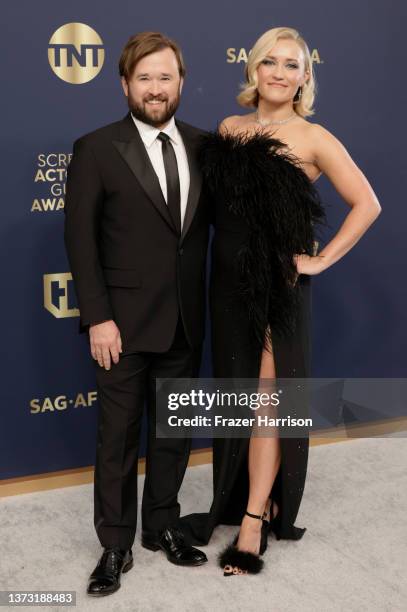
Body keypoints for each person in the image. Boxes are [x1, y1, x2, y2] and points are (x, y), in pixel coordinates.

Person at [178, 26, 381, 576]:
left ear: (305, 77)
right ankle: (247, 496)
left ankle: (253, 520)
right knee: (241, 398)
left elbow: (367, 203)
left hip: (277, 286)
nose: (280, 72)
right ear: (254, 69)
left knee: (268, 402)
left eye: (293, 65)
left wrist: (316, 260)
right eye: (271, 61)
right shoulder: (229, 128)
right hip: (226, 282)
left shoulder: (314, 138)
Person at [64, 31, 210, 597]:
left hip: (186, 321)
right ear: (125, 84)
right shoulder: (96, 147)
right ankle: (116, 544)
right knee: (118, 438)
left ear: (181, 83)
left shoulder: (204, 146)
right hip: (119, 326)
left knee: (174, 433)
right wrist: (97, 317)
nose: (155, 88)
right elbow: (80, 240)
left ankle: (163, 527)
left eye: (165, 77)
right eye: (144, 78)